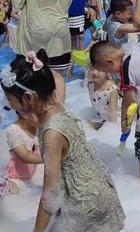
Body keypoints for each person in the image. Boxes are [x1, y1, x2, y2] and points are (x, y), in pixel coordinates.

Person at [1, 50, 125, 231]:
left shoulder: (51, 133)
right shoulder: (56, 107)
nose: (8, 103)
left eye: (10, 98)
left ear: (28, 98)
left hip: (86, 202)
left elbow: (50, 193)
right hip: (100, 187)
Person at [90, 41, 140, 178]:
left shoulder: (126, 67)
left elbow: (128, 100)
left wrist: (124, 124)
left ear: (110, 62)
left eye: (108, 71)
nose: (111, 75)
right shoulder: (134, 49)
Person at [6, 113, 42, 182]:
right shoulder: (13, 130)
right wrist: (50, 159)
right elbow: (25, 156)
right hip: (17, 178)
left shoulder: (36, 126)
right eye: (39, 114)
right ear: (25, 114)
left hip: (33, 173)